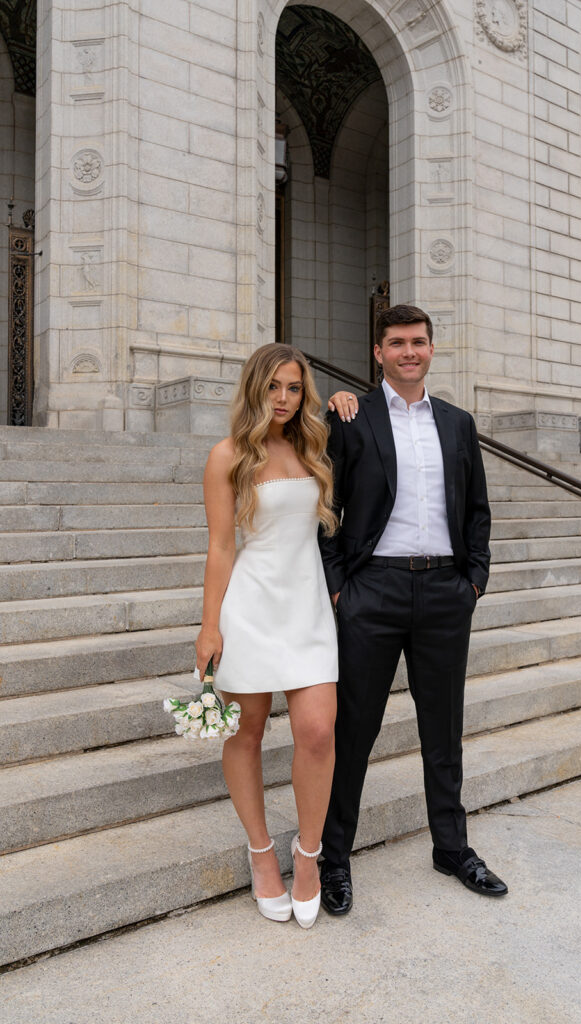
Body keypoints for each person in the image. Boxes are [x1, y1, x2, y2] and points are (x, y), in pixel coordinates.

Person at [318, 303, 508, 916]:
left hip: (445, 594)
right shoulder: (351, 418)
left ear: (431, 349)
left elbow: (477, 507)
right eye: (396, 343)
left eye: (418, 342)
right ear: (378, 352)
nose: (408, 352)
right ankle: (334, 857)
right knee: (355, 731)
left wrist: (473, 578)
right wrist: (341, 587)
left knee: (443, 730)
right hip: (372, 593)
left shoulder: (457, 423)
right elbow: (327, 509)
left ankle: (451, 848)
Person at [195, 343, 346, 929]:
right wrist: (209, 625)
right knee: (248, 731)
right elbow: (220, 546)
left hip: (306, 608)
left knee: (316, 730)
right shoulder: (227, 455)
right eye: (275, 387)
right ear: (256, 388)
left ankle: (307, 858)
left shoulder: (313, 447)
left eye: (294, 388)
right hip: (250, 607)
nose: (284, 399)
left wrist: (342, 399)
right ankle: (262, 853)